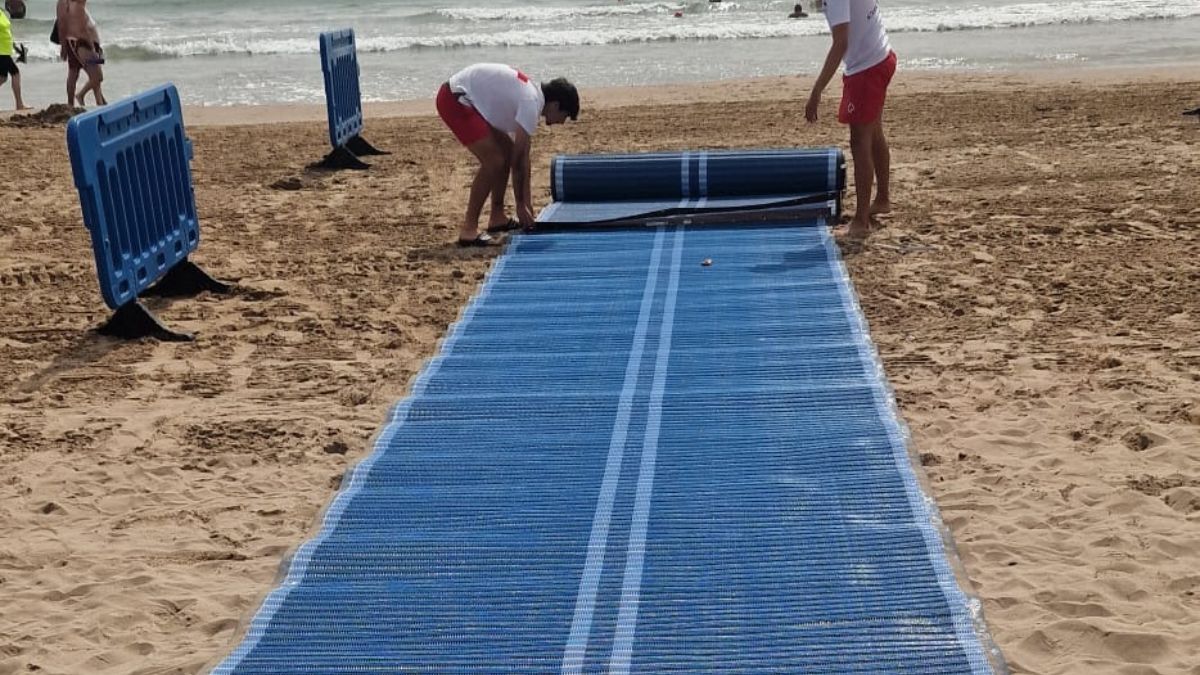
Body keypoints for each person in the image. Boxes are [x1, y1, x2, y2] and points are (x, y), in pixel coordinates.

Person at [435, 63, 579, 247]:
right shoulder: (531, 103)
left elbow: (523, 158)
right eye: (565, 116)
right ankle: (468, 230)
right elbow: (518, 162)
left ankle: (497, 217)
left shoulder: (533, 97)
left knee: (506, 153)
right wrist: (520, 205)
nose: (562, 122)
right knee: (494, 161)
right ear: (556, 105)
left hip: (468, 99)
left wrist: (527, 207)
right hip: (454, 98)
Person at [805, 0, 895, 239]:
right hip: (880, 55)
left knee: (859, 141)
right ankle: (882, 199)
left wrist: (817, 91)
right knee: (874, 133)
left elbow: (840, 42)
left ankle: (861, 221)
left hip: (867, 67)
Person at [63, 0, 105, 107]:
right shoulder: (78, 8)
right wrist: (92, 47)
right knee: (98, 76)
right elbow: (83, 31)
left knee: (95, 73)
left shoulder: (79, 7)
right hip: (86, 46)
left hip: (89, 46)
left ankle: (100, 102)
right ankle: (81, 95)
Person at [0, 1, 29, 110]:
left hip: (5, 50)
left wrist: (16, 48)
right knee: (10, 75)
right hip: (1, 52)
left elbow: (6, 32)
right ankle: (19, 104)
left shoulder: (2, 13)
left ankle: (19, 104)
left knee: (7, 76)